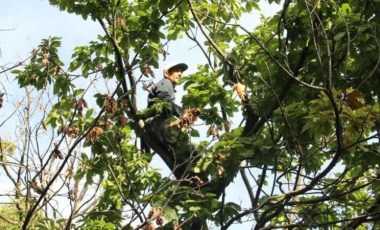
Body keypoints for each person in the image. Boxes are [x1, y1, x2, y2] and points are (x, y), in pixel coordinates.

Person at [141, 61, 207, 186]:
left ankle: (192, 184)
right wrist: (183, 114)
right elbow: (164, 100)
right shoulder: (165, 83)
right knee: (192, 152)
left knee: (178, 160)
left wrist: (145, 148)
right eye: (177, 71)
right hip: (160, 125)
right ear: (167, 73)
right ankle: (202, 183)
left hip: (155, 129)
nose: (180, 74)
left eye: (181, 72)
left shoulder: (167, 86)